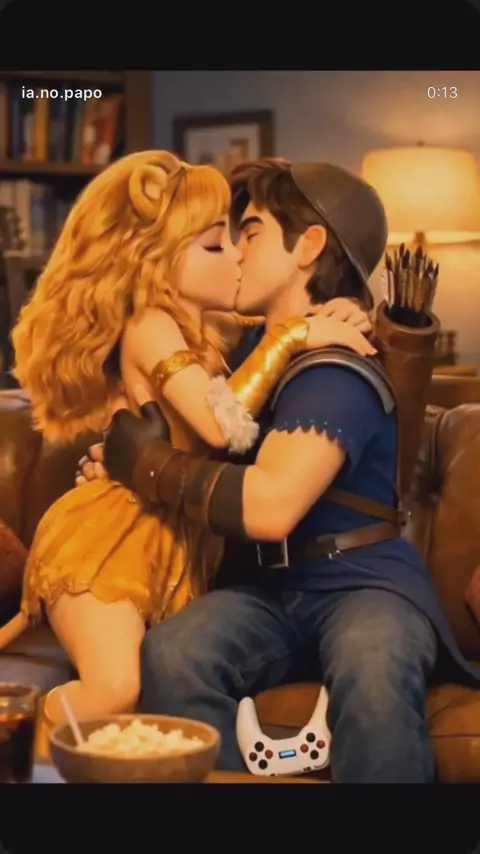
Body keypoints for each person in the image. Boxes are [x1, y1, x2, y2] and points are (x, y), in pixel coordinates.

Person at [89, 157, 480, 784]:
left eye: (250, 232)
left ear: (310, 246)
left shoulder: (339, 365)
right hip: (264, 588)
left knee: (374, 662)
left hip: (362, 583)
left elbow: (270, 507)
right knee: (173, 653)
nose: (235, 252)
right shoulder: (244, 350)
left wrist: (150, 466)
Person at [0, 150, 374, 727]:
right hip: (108, 541)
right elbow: (222, 424)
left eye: (239, 238)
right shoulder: (150, 324)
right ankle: (15, 726)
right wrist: (293, 336)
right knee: (115, 689)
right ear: (157, 261)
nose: (238, 256)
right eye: (215, 245)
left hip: (168, 543)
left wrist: (334, 312)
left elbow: (275, 322)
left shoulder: (203, 327)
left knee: (145, 693)